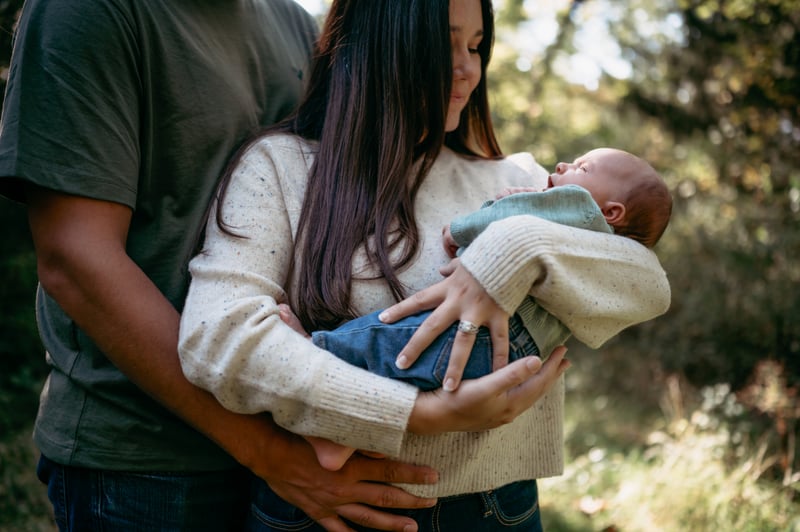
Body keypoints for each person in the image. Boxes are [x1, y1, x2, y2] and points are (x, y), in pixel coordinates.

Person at [0, 1, 547, 531]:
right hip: (148, 453)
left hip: (288, 431)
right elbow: (76, 261)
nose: (466, 65)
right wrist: (272, 451)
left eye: (476, 47)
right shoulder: (90, 11)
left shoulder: (289, 22)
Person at [177, 0, 671, 530]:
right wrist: (416, 416)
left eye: (477, 46)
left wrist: (513, 247)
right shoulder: (281, 166)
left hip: (494, 507)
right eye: (445, 44)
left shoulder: (519, 182)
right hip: (324, 509)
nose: (467, 68)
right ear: (378, 43)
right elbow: (216, 336)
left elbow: (649, 285)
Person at [277, 146, 672, 468]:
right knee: (406, 365)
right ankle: (344, 439)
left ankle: (316, 349)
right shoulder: (599, 250)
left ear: (610, 213)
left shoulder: (575, 209)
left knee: (385, 337)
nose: (564, 164)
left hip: (489, 330)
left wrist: (463, 227)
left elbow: (512, 219)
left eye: (583, 167)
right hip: (517, 351)